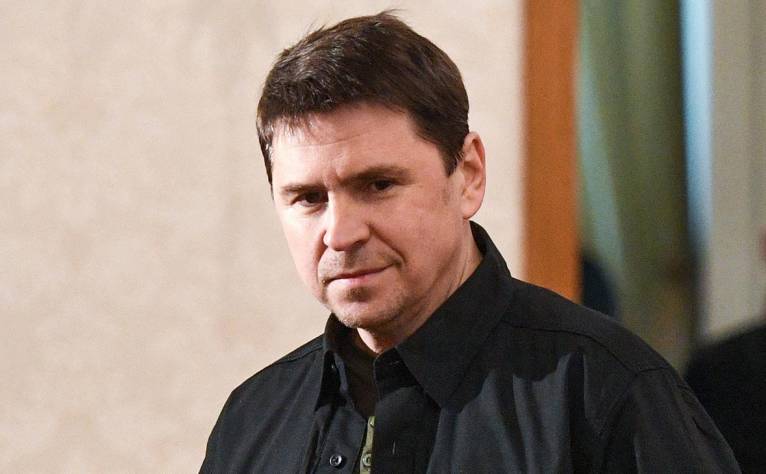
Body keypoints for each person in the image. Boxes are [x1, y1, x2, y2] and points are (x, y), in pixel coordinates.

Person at [201, 12, 738, 473]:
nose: (340, 234)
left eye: (379, 185)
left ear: (469, 176)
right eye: (308, 198)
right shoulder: (253, 419)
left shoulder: (607, 394)